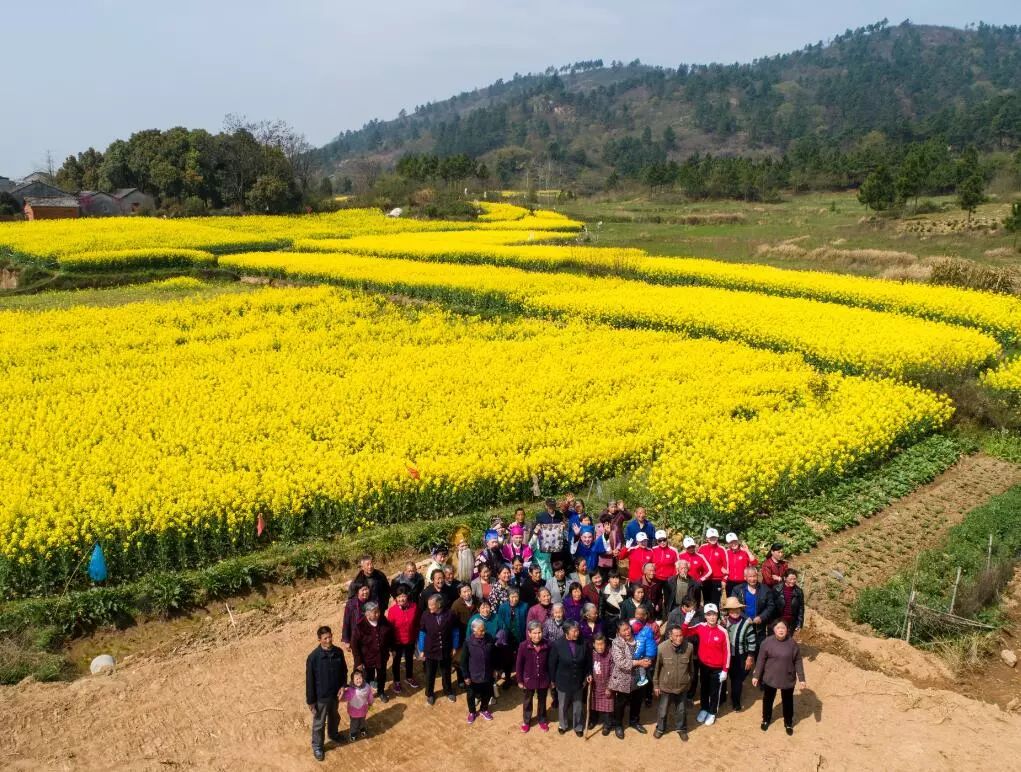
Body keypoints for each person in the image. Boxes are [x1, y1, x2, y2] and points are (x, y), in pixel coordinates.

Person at [753, 620, 806, 735]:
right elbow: (760, 660)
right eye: (778, 628)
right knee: (768, 699)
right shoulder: (767, 642)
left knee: (787, 701)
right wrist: (756, 675)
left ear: (787, 630)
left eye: (783, 628)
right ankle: (766, 719)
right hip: (770, 677)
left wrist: (801, 678)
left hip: (787, 677)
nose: (781, 630)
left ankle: (788, 722)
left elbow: (798, 661)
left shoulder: (792, 644)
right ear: (774, 629)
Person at [681, 602, 730, 727]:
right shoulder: (701, 626)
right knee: (704, 688)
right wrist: (686, 621)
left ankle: (712, 712)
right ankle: (704, 708)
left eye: (714, 614)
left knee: (714, 691)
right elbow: (684, 633)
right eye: (709, 615)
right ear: (705, 616)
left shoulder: (722, 631)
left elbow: (727, 652)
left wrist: (725, 670)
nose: (712, 617)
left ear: (717, 616)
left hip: (717, 668)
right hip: (704, 666)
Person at [306, 625, 348, 762]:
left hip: (335, 695)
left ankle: (333, 734)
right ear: (319, 640)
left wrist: (343, 686)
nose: (329, 640)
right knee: (319, 723)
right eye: (325, 638)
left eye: (330, 637)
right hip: (321, 697)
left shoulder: (338, 652)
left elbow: (344, 671)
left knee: (334, 717)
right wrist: (311, 701)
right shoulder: (313, 658)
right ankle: (318, 746)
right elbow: (310, 680)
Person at [549, 620, 592, 737]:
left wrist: (588, 673)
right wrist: (552, 681)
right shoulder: (557, 644)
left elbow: (588, 661)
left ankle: (578, 726)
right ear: (566, 632)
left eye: (578, 630)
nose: (577, 633)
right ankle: (563, 725)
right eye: (574, 631)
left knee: (578, 705)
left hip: (578, 680)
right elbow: (552, 664)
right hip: (562, 681)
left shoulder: (584, 643)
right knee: (562, 705)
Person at [652, 623, 693, 740]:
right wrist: (656, 685)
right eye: (676, 636)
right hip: (666, 687)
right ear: (670, 636)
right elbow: (656, 669)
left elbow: (691, 668)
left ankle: (681, 728)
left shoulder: (689, 647)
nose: (679, 638)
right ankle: (660, 728)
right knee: (663, 710)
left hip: (682, 687)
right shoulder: (661, 648)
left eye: (681, 635)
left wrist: (689, 680)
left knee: (681, 710)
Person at [608, 620, 649, 738]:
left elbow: (646, 650)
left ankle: (634, 721)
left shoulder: (638, 638)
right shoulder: (616, 643)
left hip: (639, 677)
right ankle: (618, 725)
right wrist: (639, 662)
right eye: (624, 630)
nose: (627, 631)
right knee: (620, 703)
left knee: (637, 701)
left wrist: (648, 659)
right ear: (618, 632)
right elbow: (620, 662)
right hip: (623, 678)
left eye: (628, 628)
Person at [418, 594, 458, 705]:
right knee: (430, 673)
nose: (429, 607)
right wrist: (421, 649)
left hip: (446, 648)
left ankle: (448, 691)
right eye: (428, 605)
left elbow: (455, 631)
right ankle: (430, 694)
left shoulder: (450, 614)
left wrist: (454, 646)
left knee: (446, 672)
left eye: (432, 605)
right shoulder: (425, 615)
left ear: (439, 604)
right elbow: (422, 632)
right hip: (430, 649)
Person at [720, 597, 757, 712]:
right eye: (732, 610)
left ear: (741, 610)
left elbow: (752, 641)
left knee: (737, 680)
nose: (735, 612)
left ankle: (736, 701)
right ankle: (721, 698)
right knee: (723, 678)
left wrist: (750, 657)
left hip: (740, 656)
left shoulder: (747, 623)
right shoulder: (723, 622)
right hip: (725, 656)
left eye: (737, 609)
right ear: (728, 611)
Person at [351, 601, 391, 702]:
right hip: (368, 659)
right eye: (375, 612)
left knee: (382, 675)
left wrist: (392, 648)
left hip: (382, 657)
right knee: (368, 677)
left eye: (378, 611)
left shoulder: (383, 620)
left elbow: (389, 634)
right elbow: (355, 646)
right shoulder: (360, 627)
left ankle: (381, 692)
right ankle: (367, 695)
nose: (378, 614)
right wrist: (358, 661)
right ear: (367, 614)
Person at [516, 621, 552, 733]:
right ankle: (526, 721)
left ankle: (542, 719)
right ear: (529, 633)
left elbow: (550, 663)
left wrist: (551, 679)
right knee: (527, 700)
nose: (537, 636)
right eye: (534, 633)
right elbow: (519, 664)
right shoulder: (523, 646)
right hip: (528, 679)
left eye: (540, 632)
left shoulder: (547, 645)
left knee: (542, 700)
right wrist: (520, 680)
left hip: (543, 679)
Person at [461, 618, 497, 724]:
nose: (483, 632)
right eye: (481, 630)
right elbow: (463, 661)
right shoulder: (468, 642)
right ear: (474, 630)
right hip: (473, 675)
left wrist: (494, 669)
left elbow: (493, 655)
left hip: (487, 673)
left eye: (484, 629)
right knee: (471, 695)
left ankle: (484, 709)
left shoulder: (489, 638)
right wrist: (466, 676)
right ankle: (472, 712)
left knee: (487, 693)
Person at [730, 565, 776, 645]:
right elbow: (733, 606)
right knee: (744, 645)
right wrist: (745, 617)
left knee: (759, 646)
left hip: (759, 625)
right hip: (742, 623)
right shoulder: (737, 590)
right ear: (745, 578)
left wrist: (761, 617)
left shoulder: (765, 590)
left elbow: (770, 606)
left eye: (754, 576)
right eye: (750, 576)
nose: (753, 579)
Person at [385, 588, 419, 694]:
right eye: (399, 597)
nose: (401, 599)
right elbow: (389, 628)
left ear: (407, 596)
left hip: (410, 639)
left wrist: (416, 637)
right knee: (396, 661)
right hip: (397, 642)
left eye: (403, 596)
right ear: (396, 598)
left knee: (409, 659)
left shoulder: (414, 607)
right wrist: (391, 645)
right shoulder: (392, 610)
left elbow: (417, 622)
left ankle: (409, 677)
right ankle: (397, 681)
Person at [496, 589, 529, 680]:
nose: (514, 599)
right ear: (508, 597)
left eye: (516, 597)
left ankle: (521, 677)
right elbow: (500, 621)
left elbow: (527, 621)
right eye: (512, 597)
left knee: (521, 657)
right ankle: (507, 678)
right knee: (508, 659)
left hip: (520, 636)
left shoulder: (524, 606)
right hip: (507, 637)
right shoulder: (503, 607)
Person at [532, 497, 568, 578]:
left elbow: (564, 528)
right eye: (549, 506)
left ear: (555, 506)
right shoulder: (540, 516)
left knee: (557, 564)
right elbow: (536, 529)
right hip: (545, 547)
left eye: (553, 506)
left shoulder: (560, 515)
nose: (551, 508)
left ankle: (558, 579)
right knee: (546, 567)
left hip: (557, 546)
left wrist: (564, 526)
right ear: (546, 506)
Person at [340, 667, 374, 742]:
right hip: (353, 712)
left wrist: (371, 703)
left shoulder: (367, 687)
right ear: (353, 680)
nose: (359, 680)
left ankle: (362, 729)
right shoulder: (350, 690)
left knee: (363, 721)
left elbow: (370, 696)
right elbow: (345, 697)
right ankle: (353, 733)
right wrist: (340, 698)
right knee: (354, 723)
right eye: (356, 679)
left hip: (363, 710)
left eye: (360, 678)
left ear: (363, 678)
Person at [590, 634, 615, 734]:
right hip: (594, 685)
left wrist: (609, 687)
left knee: (608, 706)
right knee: (593, 704)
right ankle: (593, 720)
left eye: (602, 644)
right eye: (597, 644)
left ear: (606, 644)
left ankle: (607, 725)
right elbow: (588, 668)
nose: (600, 647)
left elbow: (613, 673)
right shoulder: (591, 654)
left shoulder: (610, 654)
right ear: (593, 645)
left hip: (607, 685)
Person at [697, 529, 728, 608]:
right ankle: (707, 620)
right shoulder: (702, 548)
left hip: (717, 580)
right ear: (707, 538)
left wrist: (724, 580)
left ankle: (716, 619)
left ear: (717, 538)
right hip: (705, 579)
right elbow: (699, 562)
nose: (713, 539)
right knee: (706, 601)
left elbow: (726, 566)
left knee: (715, 602)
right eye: (711, 537)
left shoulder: (722, 549)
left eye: (715, 537)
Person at [630, 606, 658, 689]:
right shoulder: (632, 624)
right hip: (636, 658)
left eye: (640, 614)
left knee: (647, 677)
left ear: (645, 616)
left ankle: (648, 697)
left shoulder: (652, 626)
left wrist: (649, 657)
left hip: (646, 658)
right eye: (636, 613)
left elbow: (654, 643)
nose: (637, 616)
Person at [773, 568, 805, 635]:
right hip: (778, 620)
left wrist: (799, 623)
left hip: (791, 622)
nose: (793, 581)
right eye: (790, 579)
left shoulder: (799, 592)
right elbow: (772, 606)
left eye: (794, 579)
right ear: (785, 578)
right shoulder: (776, 589)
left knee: (787, 641)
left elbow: (801, 609)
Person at [601, 572, 628, 637]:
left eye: (617, 578)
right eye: (613, 578)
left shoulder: (625, 590)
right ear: (608, 580)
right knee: (611, 637)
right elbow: (601, 607)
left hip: (622, 619)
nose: (615, 581)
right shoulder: (603, 590)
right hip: (610, 619)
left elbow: (628, 605)